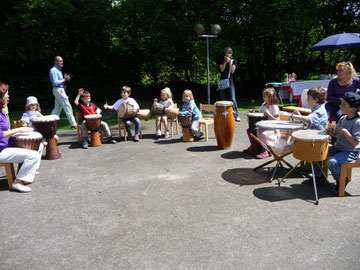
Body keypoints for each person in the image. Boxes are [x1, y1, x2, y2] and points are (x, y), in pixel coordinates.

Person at [282, 87, 329, 185]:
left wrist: (290, 115)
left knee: (315, 159)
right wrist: (300, 115)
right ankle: (315, 174)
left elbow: (308, 120)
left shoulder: (320, 110)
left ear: (316, 100)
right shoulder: (317, 108)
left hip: (318, 141)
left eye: (308, 98)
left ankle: (318, 178)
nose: (307, 100)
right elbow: (309, 119)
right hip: (314, 138)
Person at [0, 82, 42, 193]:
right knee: (34, 156)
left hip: (5, 146)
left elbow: (5, 131)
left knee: (39, 146)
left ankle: (28, 174)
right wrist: (19, 130)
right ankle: (17, 182)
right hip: (1, 150)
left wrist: (18, 133)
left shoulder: (1, 112)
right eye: (6, 94)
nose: (8, 96)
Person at [326, 92, 360, 192]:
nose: (340, 106)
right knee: (319, 152)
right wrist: (331, 132)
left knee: (332, 162)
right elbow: (337, 135)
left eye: (344, 104)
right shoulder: (342, 118)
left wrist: (345, 132)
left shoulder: (357, 122)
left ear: (353, 109)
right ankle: (320, 178)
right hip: (338, 147)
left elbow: (355, 143)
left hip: (350, 151)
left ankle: (341, 180)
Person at [245, 87, 280, 159]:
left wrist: (268, 114)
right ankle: (254, 147)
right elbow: (260, 113)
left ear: (270, 97)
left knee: (263, 134)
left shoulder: (274, 107)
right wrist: (254, 112)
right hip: (263, 126)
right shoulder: (264, 105)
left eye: (264, 96)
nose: (263, 97)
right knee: (249, 130)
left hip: (272, 128)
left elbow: (277, 121)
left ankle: (265, 151)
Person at [49, 56, 77, 128]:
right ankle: (73, 124)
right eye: (60, 61)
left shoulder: (58, 70)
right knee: (67, 106)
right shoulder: (53, 70)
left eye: (62, 61)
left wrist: (65, 79)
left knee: (57, 108)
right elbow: (55, 83)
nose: (62, 62)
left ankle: (50, 124)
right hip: (58, 90)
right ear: (55, 62)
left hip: (60, 90)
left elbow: (61, 81)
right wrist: (65, 79)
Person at [217, 46, 241, 122]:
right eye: (227, 52)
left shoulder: (233, 61)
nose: (229, 54)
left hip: (230, 81)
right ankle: (224, 115)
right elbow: (222, 69)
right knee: (223, 98)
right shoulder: (221, 61)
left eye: (230, 52)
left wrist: (230, 62)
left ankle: (236, 115)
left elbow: (232, 71)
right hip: (222, 82)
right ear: (225, 53)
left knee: (232, 98)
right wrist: (225, 62)